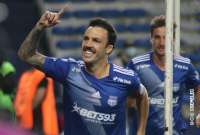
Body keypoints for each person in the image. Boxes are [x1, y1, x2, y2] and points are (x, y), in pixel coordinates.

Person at [17, 5, 149, 135]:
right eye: (86, 39)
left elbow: (143, 95)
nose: (88, 45)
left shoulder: (126, 78)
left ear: (108, 49)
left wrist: (141, 130)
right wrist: (39, 27)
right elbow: (26, 55)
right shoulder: (68, 69)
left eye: (96, 40)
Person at [127, 15, 200, 135]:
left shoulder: (185, 65)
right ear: (151, 38)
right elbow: (125, 96)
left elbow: (197, 88)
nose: (161, 43)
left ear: (173, 39)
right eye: (157, 37)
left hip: (174, 131)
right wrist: (136, 102)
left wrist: (197, 113)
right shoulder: (136, 65)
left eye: (166, 38)